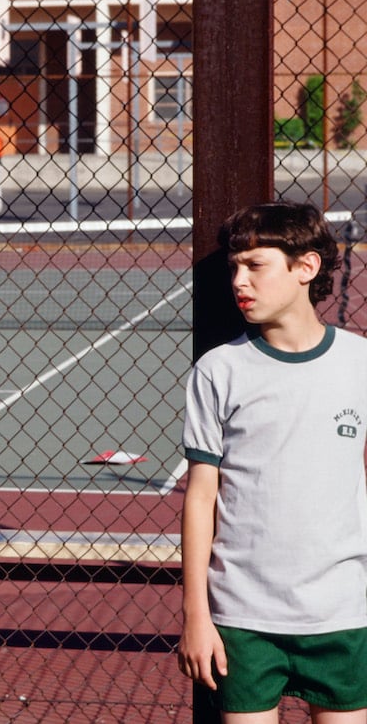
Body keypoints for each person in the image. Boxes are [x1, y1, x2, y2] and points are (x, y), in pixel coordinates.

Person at [178, 201, 367, 723]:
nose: (240, 280)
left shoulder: (360, 364)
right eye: (234, 267)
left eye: (256, 265)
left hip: (342, 615)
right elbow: (200, 499)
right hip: (242, 618)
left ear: (305, 268)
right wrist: (197, 614)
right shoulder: (219, 371)